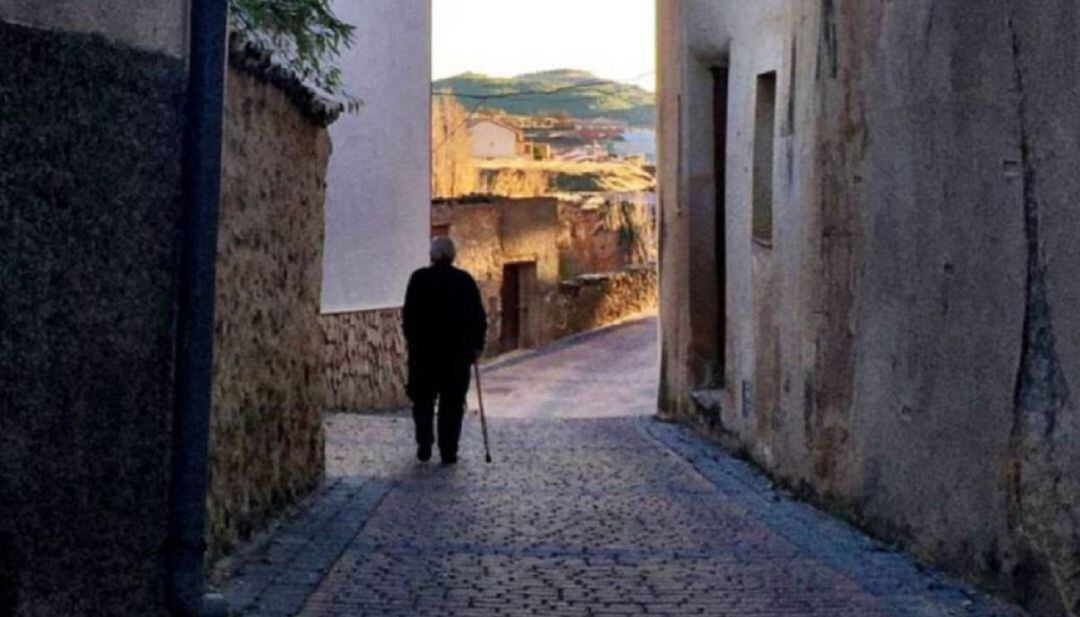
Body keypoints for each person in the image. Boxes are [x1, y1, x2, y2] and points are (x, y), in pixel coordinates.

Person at [403, 237, 487, 464]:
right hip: (455, 356)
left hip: (424, 354)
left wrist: (412, 341)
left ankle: (424, 442)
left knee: (422, 400)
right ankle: (448, 450)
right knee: (452, 403)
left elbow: (408, 316)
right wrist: (477, 346)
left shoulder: (419, 279)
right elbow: (478, 318)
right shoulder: (464, 281)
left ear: (432, 255)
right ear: (453, 256)